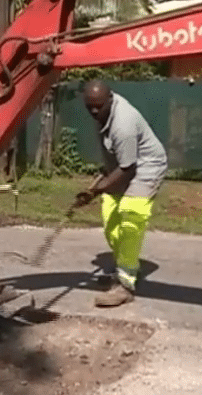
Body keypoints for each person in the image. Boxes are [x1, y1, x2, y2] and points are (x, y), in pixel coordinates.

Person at [75, 80, 168, 307]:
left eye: (98, 106)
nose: (94, 111)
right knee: (111, 220)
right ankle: (124, 266)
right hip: (122, 166)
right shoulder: (102, 115)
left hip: (146, 166)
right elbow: (114, 158)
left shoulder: (123, 123)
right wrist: (99, 184)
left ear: (110, 99)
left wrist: (96, 191)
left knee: (131, 216)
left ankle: (125, 285)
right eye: (90, 106)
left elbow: (128, 168)